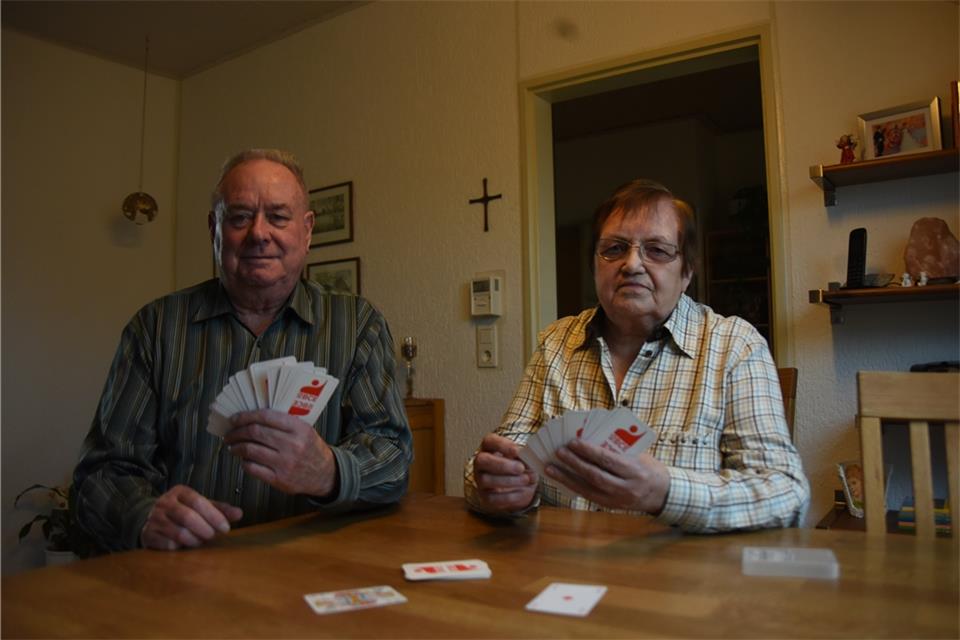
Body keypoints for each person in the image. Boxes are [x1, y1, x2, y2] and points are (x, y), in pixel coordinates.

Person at [72, 149, 412, 552]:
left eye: (278, 216)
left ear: (307, 231)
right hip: (181, 573)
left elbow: (394, 458)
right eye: (239, 217)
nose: (259, 233)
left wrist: (331, 473)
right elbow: (100, 476)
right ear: (214, 229)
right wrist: (143, 515)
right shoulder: (155, 328)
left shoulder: (357, 325)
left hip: (312, 569)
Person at [464, 179, 809, 532]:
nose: (631, 264)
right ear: (595, 265)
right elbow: (497, 464)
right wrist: (496, 487)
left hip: (683, 579)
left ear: (687, 271)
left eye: (657, 250)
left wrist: (665, 492)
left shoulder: (735, 346)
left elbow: (787, 495)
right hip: (563, 571)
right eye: (613, 249)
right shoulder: (555, 344)